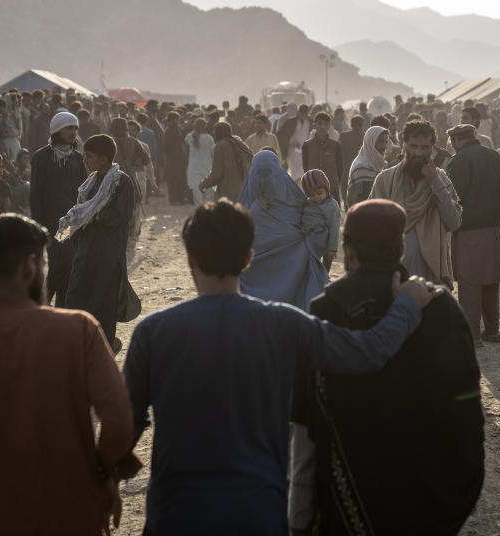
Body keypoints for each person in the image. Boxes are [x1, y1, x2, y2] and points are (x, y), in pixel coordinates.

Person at [122, 199, 440, 535]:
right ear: (248, 258)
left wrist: (109, 478)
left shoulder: (152, 333)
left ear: (190, 259)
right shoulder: (283, 324)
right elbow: (370, 351)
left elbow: (125, 424)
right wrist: (406, 304)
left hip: (176, 513)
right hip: (257, 511)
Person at [290, 199, 484, 535]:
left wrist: (298, 516)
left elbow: (307, 426)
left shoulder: (327, 310)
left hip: (347, 504)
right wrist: (456, 494)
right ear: (400, 250)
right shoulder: (441, 307)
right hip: (428, 503)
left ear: (349, 252)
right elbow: (466, 413)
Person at [0, 214, 133, 534]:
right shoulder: (78, 330)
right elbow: (117, 420)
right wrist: (102, 475)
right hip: (68, 509)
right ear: (30, 268)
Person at [58, 134, 141, 352]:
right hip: (85, 251)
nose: (85, 160)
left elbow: (122, 216)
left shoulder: (122, 182)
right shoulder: (90, 183)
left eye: (90, 156)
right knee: (75, 299)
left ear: (104, 159)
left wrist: (96, 215)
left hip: (108, 253)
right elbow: (82, 211)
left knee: (103, 306)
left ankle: (104, 350)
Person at [369, 120, 461, 286]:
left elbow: (454, 222)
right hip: (393, 275)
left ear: (433, 148)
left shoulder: (441, 180)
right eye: (413, 146)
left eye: (424, 147)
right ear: (405, 146)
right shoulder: (385, 180)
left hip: (431, 276)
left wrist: (434, 182)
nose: (418, 152)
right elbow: (371, 226)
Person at [238, 150, 329, 308]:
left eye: (269, 172)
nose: (264, 178)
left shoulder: (297, 202)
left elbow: (317, 231)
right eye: (260, 173)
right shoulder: (245, 210)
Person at [447, 123, 500, 343]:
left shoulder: (460, 159)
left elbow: (454, 195)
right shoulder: (493, 155)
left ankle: (471, 333)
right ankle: (492, 330)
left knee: (470, 282)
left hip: (468, 230)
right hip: (493, 228)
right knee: (490, 281)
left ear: (456, 140)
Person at [30, 110, 87, 306]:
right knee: (57, 267)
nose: (73, 132)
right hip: (50, 222)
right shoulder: (42, 157)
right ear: (57, 130)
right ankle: (45, 308)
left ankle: (56, 310)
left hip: (72, 222)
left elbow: (83, 191)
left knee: (68, 267)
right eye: (68, 128)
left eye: (75, 128)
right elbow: (35, 193)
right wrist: (38, 226)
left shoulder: (78, 158)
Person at [200, 121, 252, 202]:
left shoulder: (220, 146)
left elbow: (217, 174)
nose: (213, 133)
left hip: (227, 193)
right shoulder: (240, 144)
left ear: (219, 132)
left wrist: (203, 184)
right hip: (244, 191)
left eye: (215, 130)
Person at [300, 169, 341, 271]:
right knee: (310, 265)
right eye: (311, 195)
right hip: (309, 241)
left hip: (325, 241)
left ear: (327, 189)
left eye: (319, 193)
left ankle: (324, 277)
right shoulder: (307, 204)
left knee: (326, 264)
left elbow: (334, 229)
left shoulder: (332, 206)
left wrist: (332, 248)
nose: (316, 197)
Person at [302, 112, 345, 203]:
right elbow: (305, 168)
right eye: (320, 124)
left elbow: (340, 168)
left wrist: (336, 184)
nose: (323, 127)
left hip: (332, 189)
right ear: (314, 125)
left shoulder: (335, 146)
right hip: (313, 190)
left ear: (330, 126)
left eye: (326, 124)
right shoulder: (307, 145)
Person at [346, 125, 389, 208]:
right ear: (371, 143)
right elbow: (355, 201)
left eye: (386, 142)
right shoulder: (361, 166)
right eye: (381, 142)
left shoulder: (380, 164)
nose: (384, 146)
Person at [277, 103, 311, 181]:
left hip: (306, 150)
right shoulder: (291, 122)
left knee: (303, 169)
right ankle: (295, 187)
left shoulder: (310, 122)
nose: (303, 116)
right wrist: (292, 141)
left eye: (305, 114)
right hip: (293, 150)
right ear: (298, 112)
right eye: (301, 114)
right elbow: (282, 135)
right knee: (294, 170)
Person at [186, 117, 215, 205]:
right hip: (207, 166)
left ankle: (199, 208)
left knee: (196, 190)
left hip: (194, 167)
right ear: (205, 126)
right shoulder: (209, 138)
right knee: (209, 190)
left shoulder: (190, 137)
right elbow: (213, 152)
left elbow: (188, 140)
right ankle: (209, 207)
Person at [162, 111, 189, 205]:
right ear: (172, 120)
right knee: (173, 180)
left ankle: (180, 198)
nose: (178, 121)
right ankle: (174, 199)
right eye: (176, 119)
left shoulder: (176, 129)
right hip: (173, 160)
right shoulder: (169, 131)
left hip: (179, 159)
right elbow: (166, 147)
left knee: (181, 179)